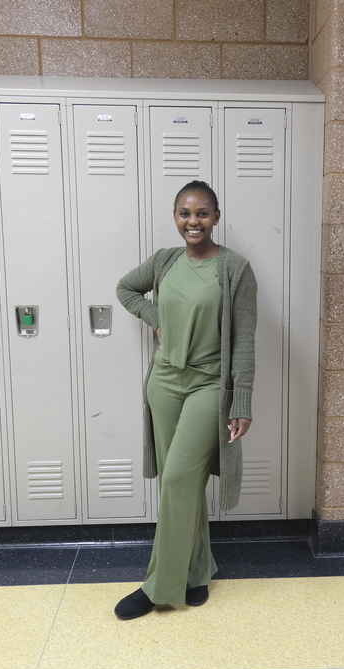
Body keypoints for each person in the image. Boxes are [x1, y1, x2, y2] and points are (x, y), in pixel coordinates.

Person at [113, 180, 257, 620]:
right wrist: (154, 319)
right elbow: (126, 289)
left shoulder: (235, 268)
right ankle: (197, 571)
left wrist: (241, 401)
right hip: (165, 382)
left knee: (177, 478)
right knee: (184, 486)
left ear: (215, 217)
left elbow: (245, 339)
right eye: (184, 213)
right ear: (176, 217)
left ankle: (159, 586)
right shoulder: (164, 261)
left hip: (208, 385)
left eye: (201, 213)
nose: (192, 222)